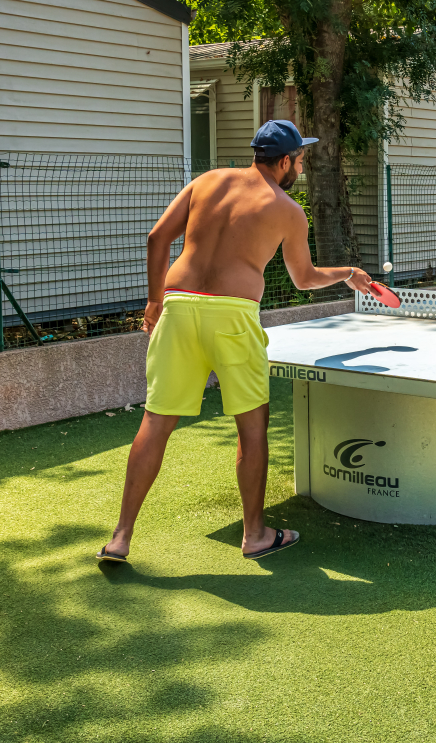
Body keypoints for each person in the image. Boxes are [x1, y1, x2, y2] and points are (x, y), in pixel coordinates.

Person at [97, 120, 373, 563]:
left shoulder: (206, 182)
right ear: (284, 161)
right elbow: (303, 279)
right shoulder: (286, 208)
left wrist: (153, 302)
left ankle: (121, 537)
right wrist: (348, 273)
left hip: (179, 308)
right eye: (299, 159)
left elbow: (157, 237)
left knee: (156, 423)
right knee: (251, 428)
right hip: (233, 316)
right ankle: (255, 535)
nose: (300, 166)